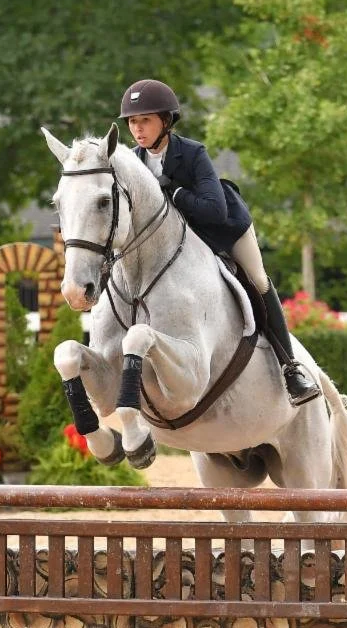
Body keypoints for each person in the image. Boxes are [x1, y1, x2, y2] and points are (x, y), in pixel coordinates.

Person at [119, 78, 320, 406]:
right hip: (179, 244)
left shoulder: (193, 153)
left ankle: (290, 369)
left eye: (145, 120)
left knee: (257, 280)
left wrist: (177, 193)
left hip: (224, 230)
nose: (137, 129)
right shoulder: (132, 161)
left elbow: (214, 209)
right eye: (132, 122)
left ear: (165, 121)